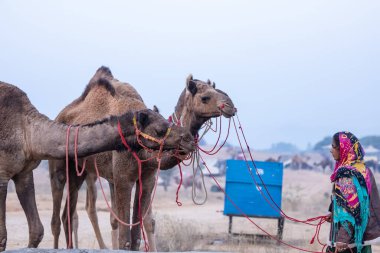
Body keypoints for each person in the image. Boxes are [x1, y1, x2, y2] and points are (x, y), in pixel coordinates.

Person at [326, 131, 380, 253]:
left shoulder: (346, 174)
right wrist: (333, 212)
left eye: (334, 147)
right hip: (361, 235)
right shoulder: (363, 169)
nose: (331, 150)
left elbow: (350, 209)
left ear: (343, 149)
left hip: (348, 243)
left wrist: (342, 238)